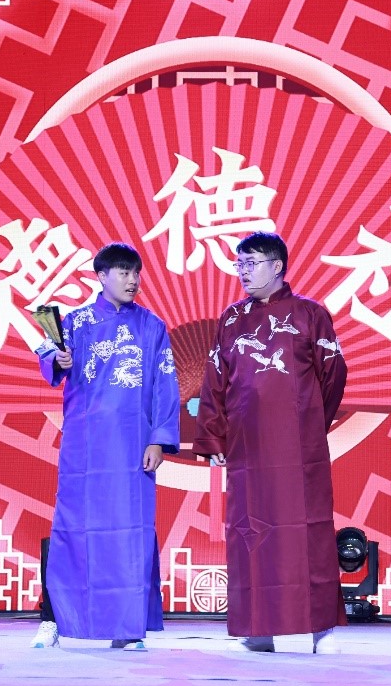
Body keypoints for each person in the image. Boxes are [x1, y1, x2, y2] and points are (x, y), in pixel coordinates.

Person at [193, 232, 348, 654]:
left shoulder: (310, 314)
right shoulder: (232, 319)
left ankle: (321, 630)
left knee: (308, 533)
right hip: (248, 447)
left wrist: (309, 420)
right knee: (251, 533)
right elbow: (215, 381)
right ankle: (257, 629)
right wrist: (214, 433)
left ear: (277, 266)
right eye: (239, 263)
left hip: (299, 448)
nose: (243, 271)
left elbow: (333, 375)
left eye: (252, 263)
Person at [32, 242, 180, 650]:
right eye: (123, 272)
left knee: (129, 533)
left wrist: (159, 439)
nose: (132, 280)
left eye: (136, 273)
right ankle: (56, 618)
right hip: (85, 447)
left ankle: (127, 627)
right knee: (75, 530)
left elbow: (165, 385)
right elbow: (48, 355)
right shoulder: (75, 322)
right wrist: (57, 359)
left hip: (132, 446)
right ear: (101, 276)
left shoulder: (151, 326)